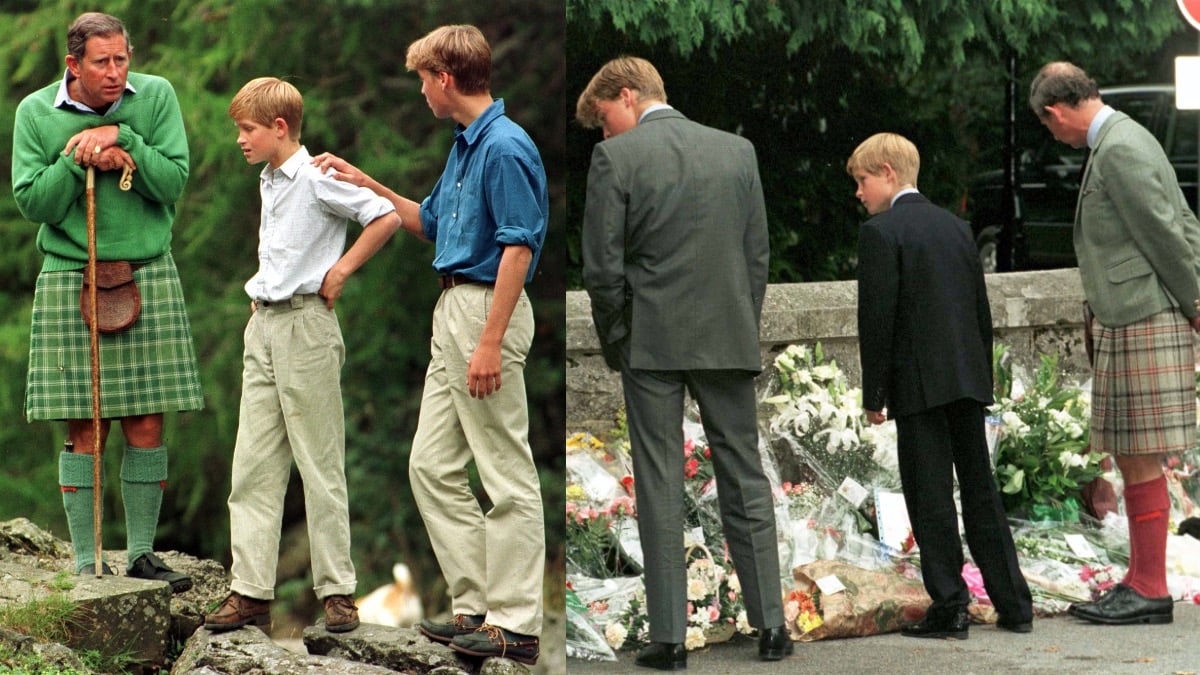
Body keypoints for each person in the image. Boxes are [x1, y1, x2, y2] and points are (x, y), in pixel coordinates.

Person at [311, 25, 547, 664]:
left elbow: (518, 247)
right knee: (431, 466)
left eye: (422, 79)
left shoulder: (505, 148)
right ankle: (476, 606)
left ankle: (518, 624)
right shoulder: (466, 147)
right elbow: (430, 223)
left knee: (504, 470)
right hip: (454, 311)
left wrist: (491, 341)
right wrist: (367, 183)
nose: (419, 90)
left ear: (445, 77)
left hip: (484, 311)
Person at [575, 56, 789, 669]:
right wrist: (740, 322)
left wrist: (620, 337)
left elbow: (602, 268)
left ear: (627, 95)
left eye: (604, 118)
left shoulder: (618, 159)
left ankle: (669, 640)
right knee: (745, 474)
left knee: (661, 478)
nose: (605, 132)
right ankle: (773, 626)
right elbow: (756, 256)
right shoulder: (736, 152)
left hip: (653, 339)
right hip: (727, 332)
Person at [202, 77, 402, 634]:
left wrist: (339, 272)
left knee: (319, 463)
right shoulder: (267, 180)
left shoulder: (315, 177)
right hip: (264, 325)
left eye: (247, 130)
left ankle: (337, 592)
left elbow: (383, 215)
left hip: (306, 328)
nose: (240, 139)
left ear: (279, 128)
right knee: (253, 467)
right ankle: (251, 592)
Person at [11, 11, 201, 591]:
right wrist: (78, 158)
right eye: (102, 62)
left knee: (146, 419)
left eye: (123, 59)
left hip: (147, 268)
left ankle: (142, 554)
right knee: (86, 426)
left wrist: (124, 139)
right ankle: (87, 561)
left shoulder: (156, 97)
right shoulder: (35, 113)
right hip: (73, 272)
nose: (117, 72)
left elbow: (173, 181)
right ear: (73, 65)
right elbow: (33, 203)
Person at [1030, 61, 1200, 625]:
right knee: (1133, 451)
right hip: (1137, 313)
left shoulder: (1120, 146)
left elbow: (1165, 233)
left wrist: (1198, 304)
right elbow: (1184, 220)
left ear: (1056, 111)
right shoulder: (1125, 138)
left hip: (1143, 314)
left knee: (1138, 452)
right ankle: (1139, 579)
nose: (1055, 136)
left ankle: (1150, 588)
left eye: (1049, 127)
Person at [851, 132, 1034, 639]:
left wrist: (874, 396)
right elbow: (979, 309)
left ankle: (950, 604)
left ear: (887, 172)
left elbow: (878, 319)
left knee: (929, 495)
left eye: (862, 180)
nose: (859, 192)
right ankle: (1015, 603)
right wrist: (983, 377)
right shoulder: (956, 228)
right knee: (981, 491)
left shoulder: (880, 232)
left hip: (917, 382)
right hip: (966, 377)